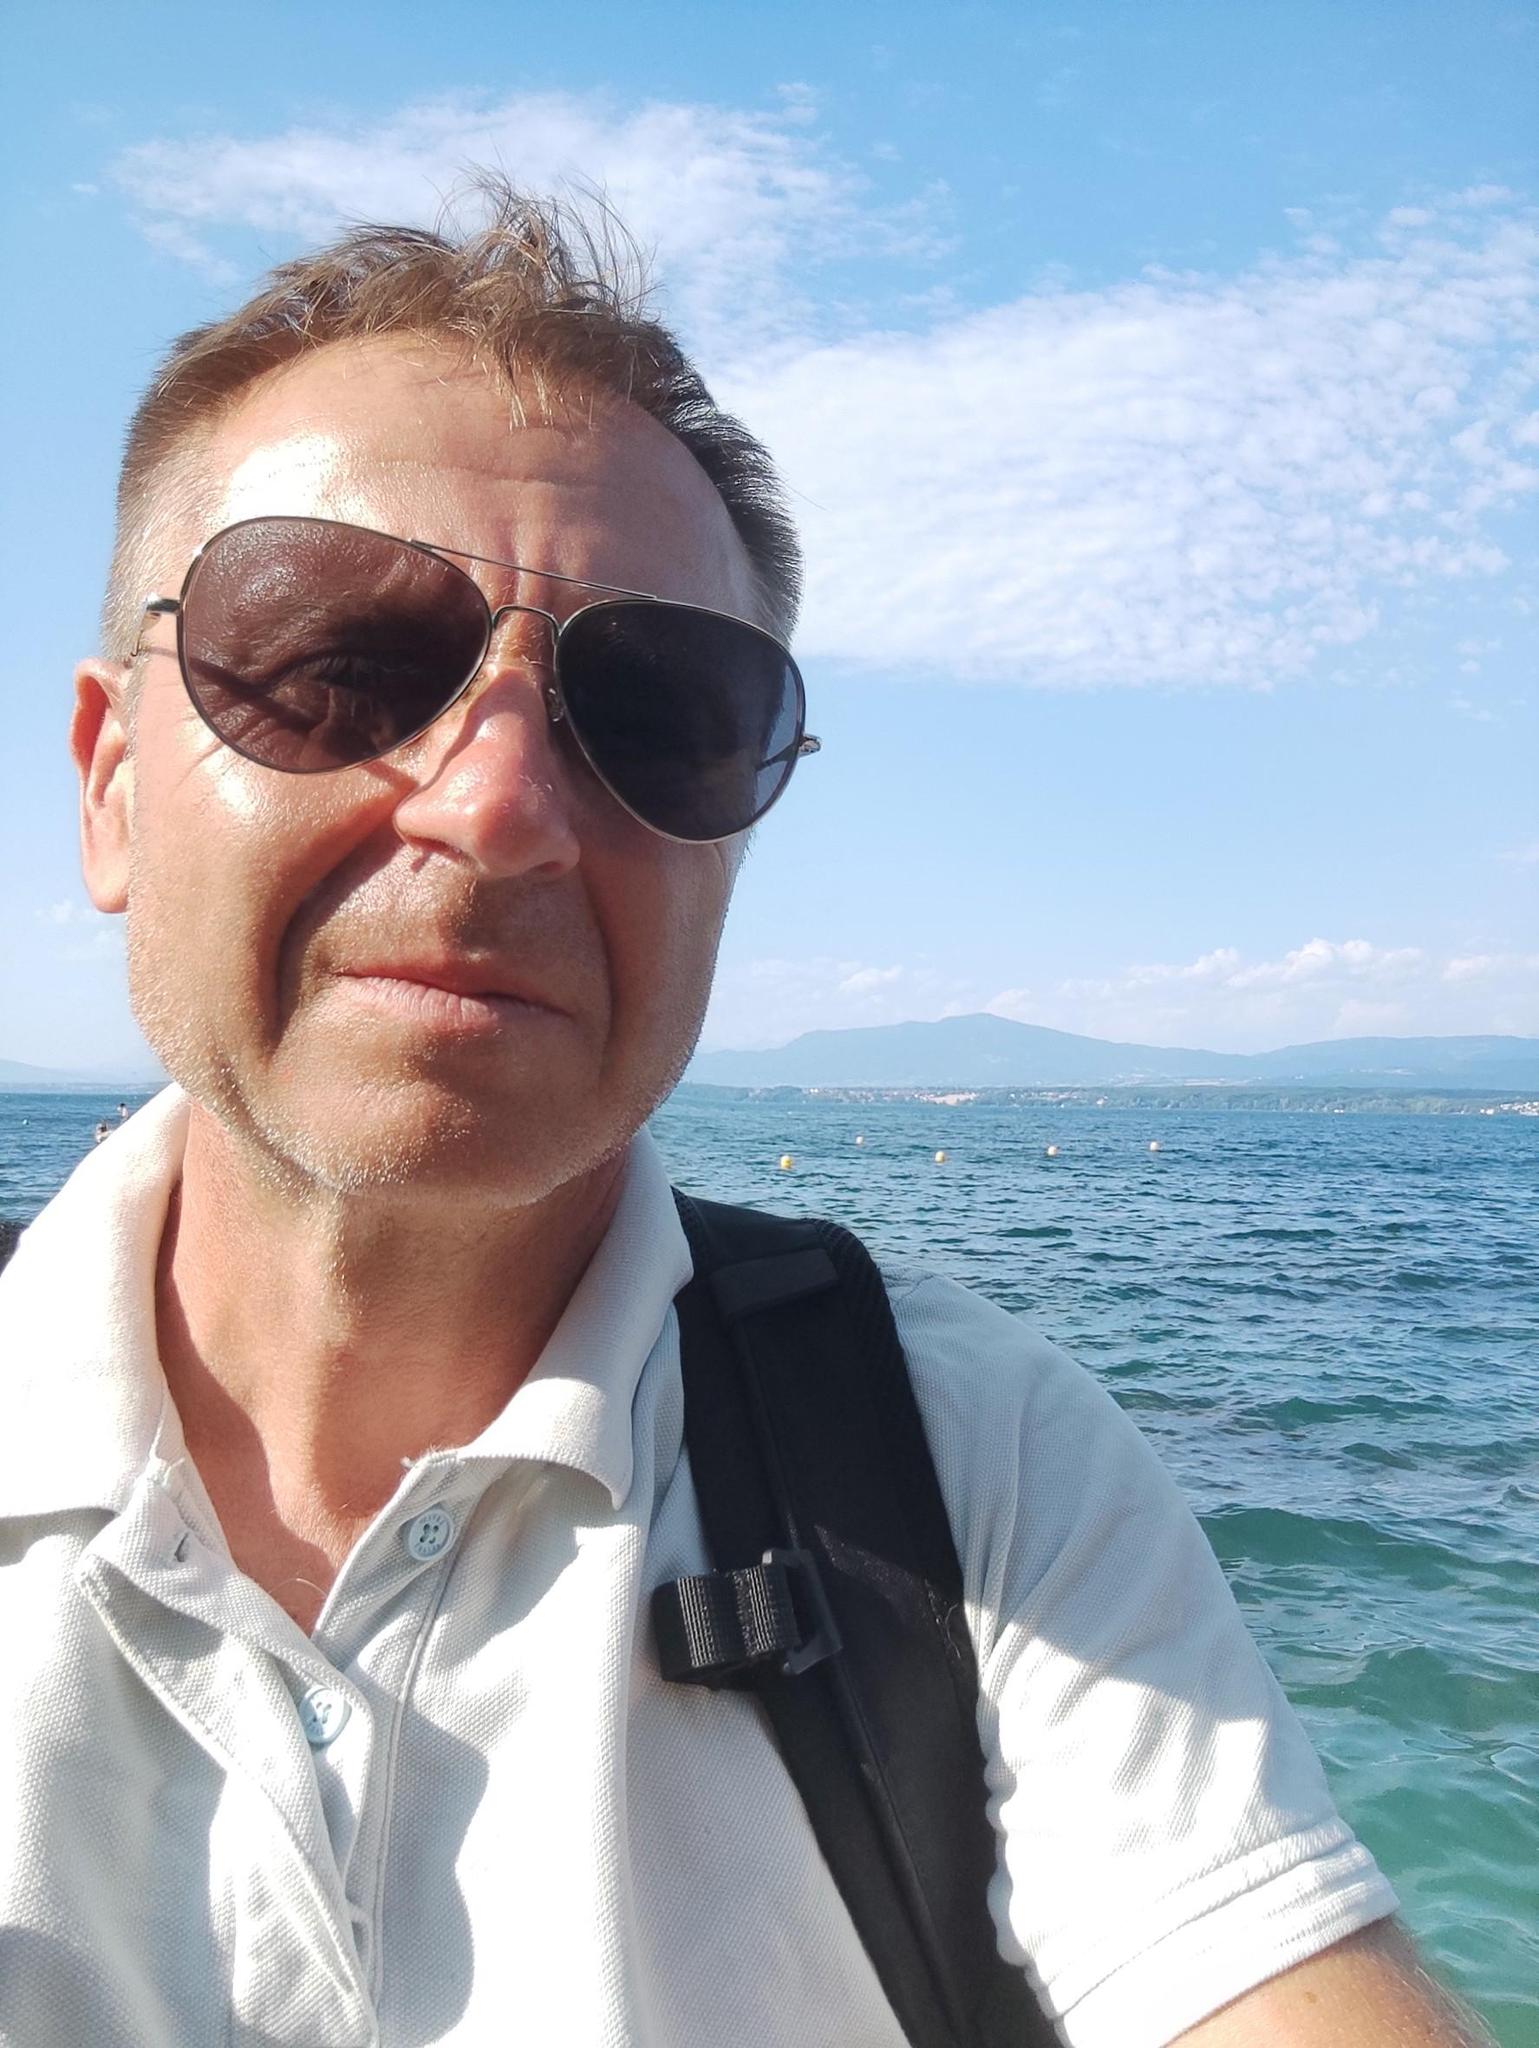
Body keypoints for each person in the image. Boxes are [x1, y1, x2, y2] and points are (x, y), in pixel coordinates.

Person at [0, 185, 1490, 2048]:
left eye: (658, 713)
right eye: (341, 667)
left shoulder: (967, 1464)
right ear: (112, 786)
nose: (500, 808)